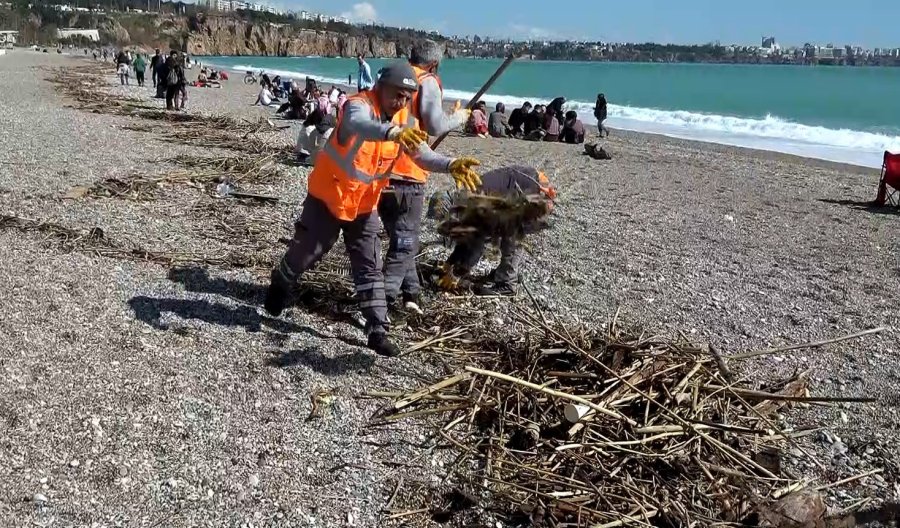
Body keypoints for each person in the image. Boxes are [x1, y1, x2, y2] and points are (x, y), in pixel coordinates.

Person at [263, 61, 481, 358]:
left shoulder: (404, 122)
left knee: (369, 265)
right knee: (309, 251)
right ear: (380, 87)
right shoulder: (357, 105)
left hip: (364, 205)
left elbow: (422, 154)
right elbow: (358, 125)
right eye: (396, 94)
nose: (401, 101)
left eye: (407, 96)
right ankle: (282, 279)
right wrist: (390, 133)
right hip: (329, 198)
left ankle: (377, 329)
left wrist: (450, 164)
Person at [379, 39, 469, 313]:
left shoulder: (393, 76)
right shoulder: (426, 80)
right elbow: (432, 123)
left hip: (380, 169)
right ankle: (382, 303)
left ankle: (411, 293)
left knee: (404, 237)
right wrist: (459, 118)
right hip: (406, 173)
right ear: (433, 64)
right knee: (405, 241)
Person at [431, 165, 556, 296]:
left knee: (512, 235)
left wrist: (456, 274)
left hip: (535, 192)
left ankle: (507, 283)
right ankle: (502, 273)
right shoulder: (464, 199)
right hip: (521, 186)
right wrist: (449, 263)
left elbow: (477, 245)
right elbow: (467, 240)